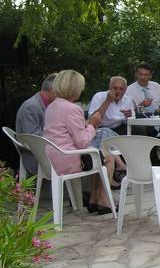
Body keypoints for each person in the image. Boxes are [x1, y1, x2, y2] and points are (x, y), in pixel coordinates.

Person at [43, 70, 116, 215]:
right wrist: (93, 124)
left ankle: (94, 200)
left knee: (98, 155)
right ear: (75, 88)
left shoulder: (52, 106)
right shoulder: (73, 108)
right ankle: (103, 200)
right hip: (67, 159)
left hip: (50, 157)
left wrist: (86, 125)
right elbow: (82, 141)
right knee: (109, 158)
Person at [15, 73, 57, 174]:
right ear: (53, 90)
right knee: (75, 161)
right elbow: (34, 141)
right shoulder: (32, 107)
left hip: (44, 154)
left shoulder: (46, 105)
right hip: (35, 158)